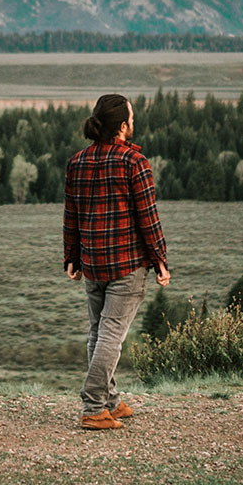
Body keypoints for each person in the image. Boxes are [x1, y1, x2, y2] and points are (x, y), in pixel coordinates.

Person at [63, 92, 169, 431]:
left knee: (99, 332)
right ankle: (93, 406)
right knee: (111, 335)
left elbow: (72, 216)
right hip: (126, 265)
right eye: (132, 119)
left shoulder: (77, 162)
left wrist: (72, 256)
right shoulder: (133, 162)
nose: (134, 124)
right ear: (122, 126)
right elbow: (148, 218)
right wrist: (160, 261)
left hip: (93, 262)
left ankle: (108, 400)